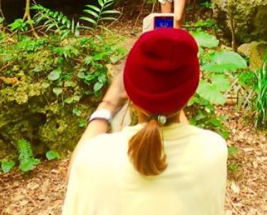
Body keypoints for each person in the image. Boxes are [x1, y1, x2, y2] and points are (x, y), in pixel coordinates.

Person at [62, 28, 227, 215]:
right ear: (190, 92)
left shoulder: (94, 157)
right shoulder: (214, 150)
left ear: (130, 92)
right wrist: (171, 94)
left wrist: (108, 104)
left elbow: (75, 180)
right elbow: (180, 123)